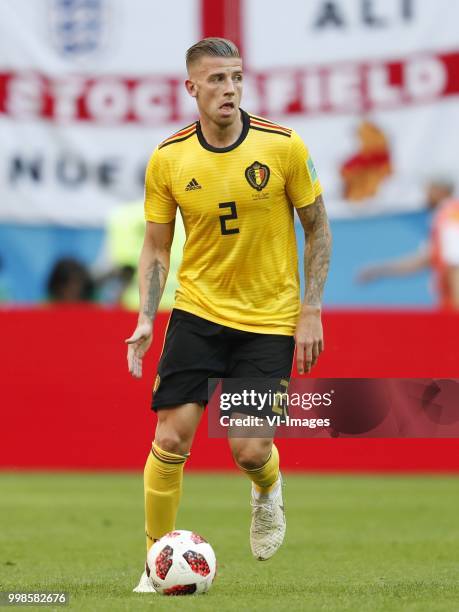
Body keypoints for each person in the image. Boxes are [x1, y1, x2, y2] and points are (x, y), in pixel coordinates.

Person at [125, 38, 332, 592]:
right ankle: (154, 564)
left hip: (268, 318)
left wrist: (310, 309)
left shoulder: (283, 146)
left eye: (236, 77)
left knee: (248, 446)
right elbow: (157, 246)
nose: (230, 89)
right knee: (171, 438)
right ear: (191, 87)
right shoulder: (169, 158)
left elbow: (317, 227)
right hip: (198, 311)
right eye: (216, 80)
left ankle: (267, 487)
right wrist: (148, 315)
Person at [357, 179, 459, 309]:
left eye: (428, 189)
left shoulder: (450, 216)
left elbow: (455, 264)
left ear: (439, 190)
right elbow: (425, 259)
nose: (425, 195)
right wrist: (380, 269)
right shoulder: (444, 218)